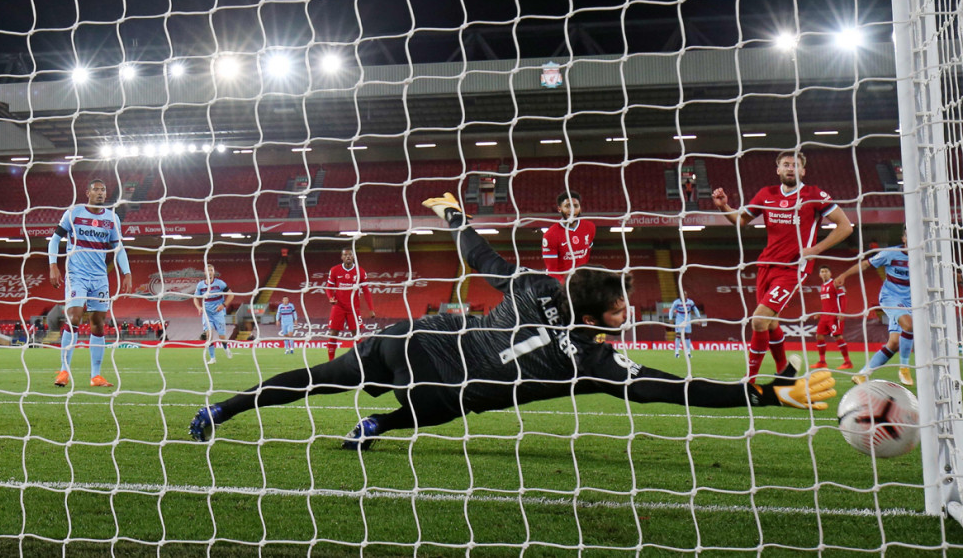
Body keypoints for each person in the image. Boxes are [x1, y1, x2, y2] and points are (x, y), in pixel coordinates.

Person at [189, 192, 836, 447]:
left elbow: (483, 257)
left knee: (350, 388)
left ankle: (374, 422)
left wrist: (454, 217)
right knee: (322, 378)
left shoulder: (538, 288)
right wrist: (763, 394)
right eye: (619, 309)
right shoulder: (595, 361)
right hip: (427, 363)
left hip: (427, 357)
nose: (627, 315)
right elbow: (671, 387)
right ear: (595, 312)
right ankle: (225, 410)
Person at [712, 150, 853, 382]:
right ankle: (783, 372)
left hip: (792, 268)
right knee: (770, 323)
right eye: (786, 164)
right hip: (766, 265)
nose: (790, 168)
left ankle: (750, 381)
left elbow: (845, 226)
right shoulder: (766, 194)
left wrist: (815, 250)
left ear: (803, 170)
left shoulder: (813, 194)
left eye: (795, 165)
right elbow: (742, 220)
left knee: (758, 320)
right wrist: (724, 207)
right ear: (778, 169)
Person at [48, 178, 132, 388]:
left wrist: (127, 272)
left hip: (100, 277)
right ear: (87, 192)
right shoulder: (74, 213)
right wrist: (53, 265)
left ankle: (96, 376)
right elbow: (55, 239)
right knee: (74, 316)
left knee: (98, 323)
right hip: (76, 273)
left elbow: (118, 248)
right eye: (96, 190)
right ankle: (64, 371)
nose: (100, 193)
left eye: (103, 190)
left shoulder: (112, 218)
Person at [836, 229, 913, 386]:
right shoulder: (890, 253)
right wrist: (844, 275)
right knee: (909, 325)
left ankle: (863, 374)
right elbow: (865, 264)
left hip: (911, 301)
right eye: (908, 235)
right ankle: (905, 368)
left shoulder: (922, 257)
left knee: (894, 343)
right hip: (891, 298)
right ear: (903, 238)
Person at [325, 247, 376, 361]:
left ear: (353, 257)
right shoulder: (334, 270)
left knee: (356, 334)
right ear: (342, 257)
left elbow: (366, 291)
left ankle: (359, 360)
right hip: (338, 307)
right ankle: (331, 361)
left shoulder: (360, 271)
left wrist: (371, 309)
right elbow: (328, 288)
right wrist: (330, 298)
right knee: (333, 333)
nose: (348, 256)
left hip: (354, 308)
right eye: (345, 255)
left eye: (350, 255)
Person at [542, 191, 596, 284]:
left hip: (582, 283)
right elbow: (552, 270)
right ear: (559, 209)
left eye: (575, 206)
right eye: (567, 206)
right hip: (561, 285)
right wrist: (567, 287)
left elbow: (586, 256)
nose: (572, 210)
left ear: (580, 208)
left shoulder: (590, 227)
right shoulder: (550, 234)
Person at [812, 265, 852, 370]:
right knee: (819, 336)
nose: (824, 273)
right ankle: (822, 362)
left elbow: (843, 298)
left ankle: (847, 362)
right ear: (819, 274)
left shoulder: (835, 283)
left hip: (834, 316)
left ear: (830, 273)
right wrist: (820, 313)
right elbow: (827, 303)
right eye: (822, 271)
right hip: (825, 316)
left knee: (837, 336)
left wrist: (842, 312)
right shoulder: (822, 286)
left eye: (826, 271)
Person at [194, 264, 234, 365]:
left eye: (211, 270)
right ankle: (212, 358)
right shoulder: (200, 285)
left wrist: (223, 305)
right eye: (207, 270)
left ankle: (226, 349)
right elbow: (195, 298)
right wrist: (199, 307)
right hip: (207, 314)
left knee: (222, 336)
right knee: (209, 335)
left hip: (218, 313)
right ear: (204, 272)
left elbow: (231, 294)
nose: (209, 272)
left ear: (213, 272)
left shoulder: (220, 284)